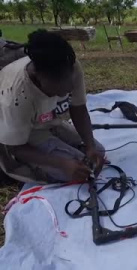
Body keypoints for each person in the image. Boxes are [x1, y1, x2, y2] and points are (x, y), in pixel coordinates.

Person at [0, 30, 105, 184]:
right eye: (57, 90)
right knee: (73, 172)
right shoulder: (15, 96)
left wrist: (90, 146)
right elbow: (17, 148)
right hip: (27, 134)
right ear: (38, 75)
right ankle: (35, 166)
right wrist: (63, 164)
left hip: (49, 122)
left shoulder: (71, 66)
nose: (64, 92)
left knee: (98, 152)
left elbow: (78, 108)